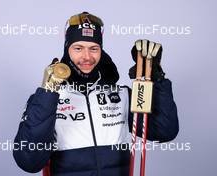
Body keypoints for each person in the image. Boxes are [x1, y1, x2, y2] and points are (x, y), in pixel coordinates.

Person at [13, 12, 179, 176]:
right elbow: (29, 161)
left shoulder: (121, 95)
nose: (87, 56)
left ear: (101, 50)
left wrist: (156, 77)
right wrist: (48, 93)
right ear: (67, 49)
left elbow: (164, 132)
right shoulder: (48, 99)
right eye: (78, 48)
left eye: (94, 48)